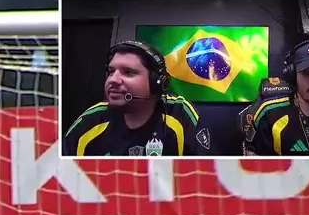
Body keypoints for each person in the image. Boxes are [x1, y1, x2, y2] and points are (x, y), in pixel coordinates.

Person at [63, 41, 208, 157]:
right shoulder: (91, 120)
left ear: (156, 82)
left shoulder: (179, 113)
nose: (113, 79)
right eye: (111, 71)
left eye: (128, 72)